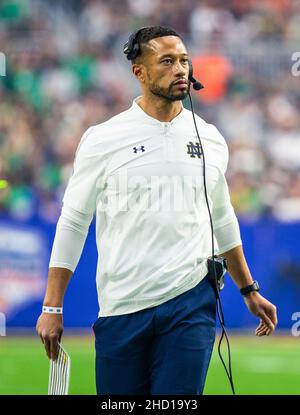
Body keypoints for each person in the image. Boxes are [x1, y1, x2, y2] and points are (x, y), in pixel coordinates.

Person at [36, 26, 278, 395]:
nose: (180, 69)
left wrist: (249, 288)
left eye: (183, 60)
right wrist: (52, 307)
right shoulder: (103, 139)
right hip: (121, 305)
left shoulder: (209, 137)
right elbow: (73, 222)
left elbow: (222, 218)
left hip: (190, 302)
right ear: (140, 72)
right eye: (167, 61)